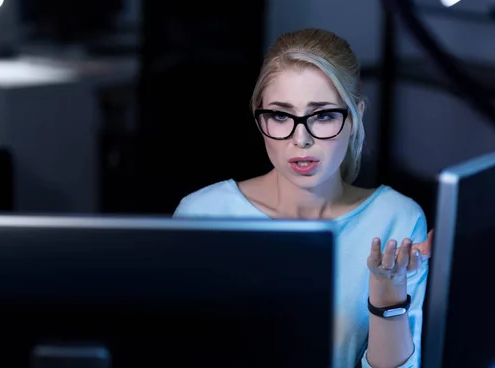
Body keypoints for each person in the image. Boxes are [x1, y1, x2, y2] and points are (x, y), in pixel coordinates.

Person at [173, 28, 432, 368]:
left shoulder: (397, 219)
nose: (301, 139)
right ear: (258, 115)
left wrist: (388, 295)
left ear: (355, 117)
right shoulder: (203, 214)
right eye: (281, 115)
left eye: (323, 115)